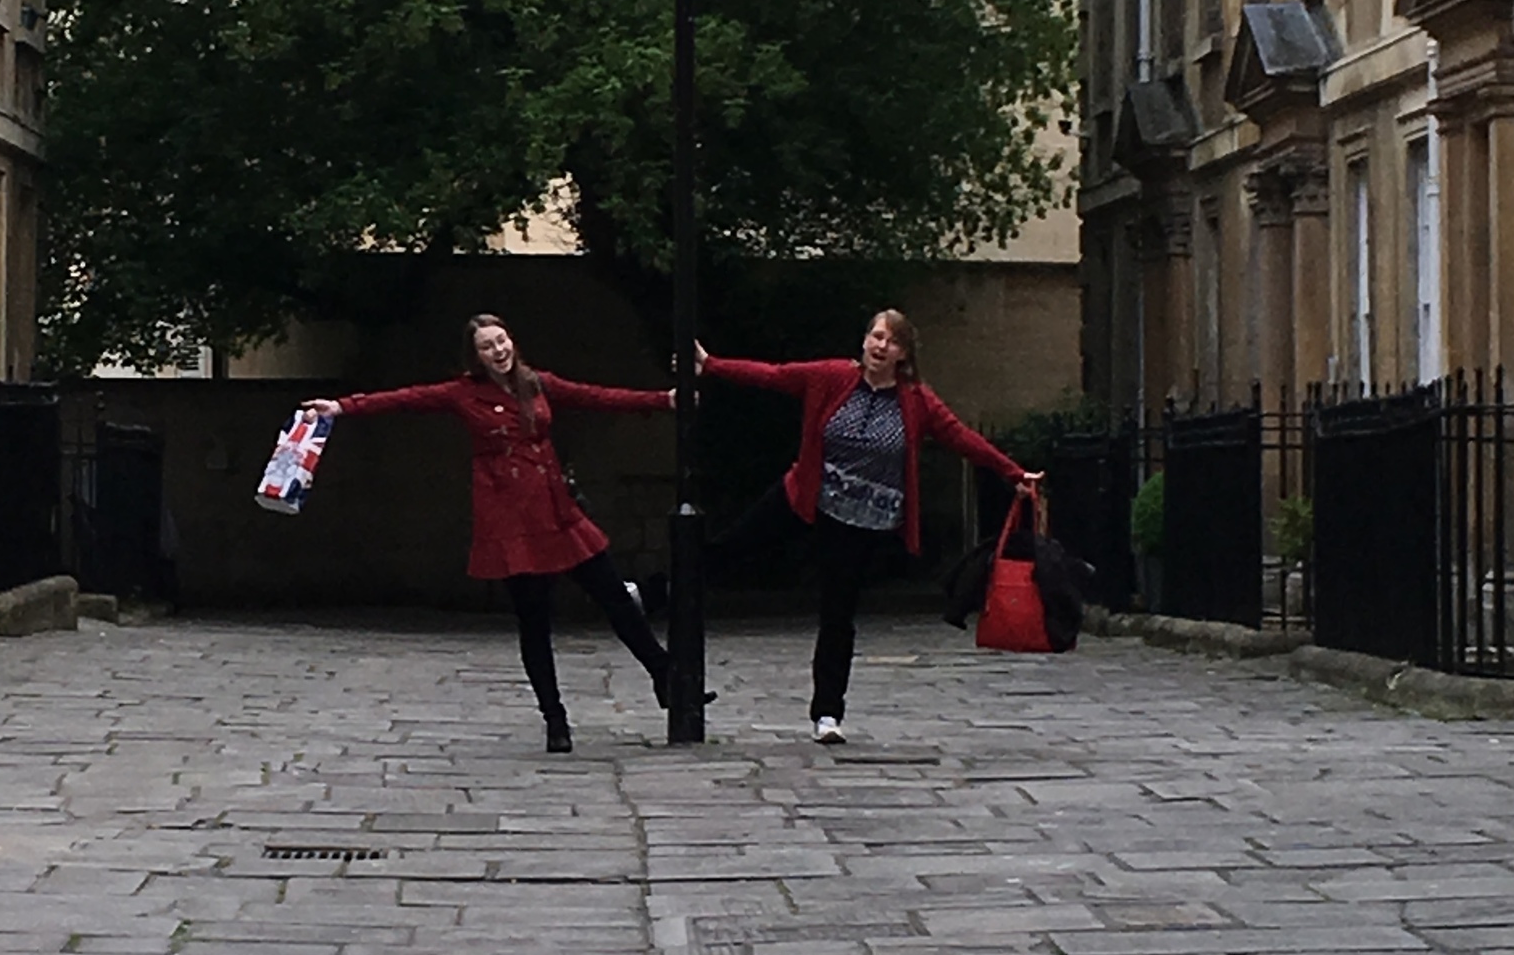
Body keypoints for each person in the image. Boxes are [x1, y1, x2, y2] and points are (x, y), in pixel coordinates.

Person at [302, 315, 685, 753]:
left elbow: (597, 396)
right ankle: (555, 719)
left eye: (502, 341)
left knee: (616, 598)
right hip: (511, 519)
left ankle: (664, 675)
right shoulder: (463, 393)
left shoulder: (535, 383)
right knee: (535, 621)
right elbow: (406, 399)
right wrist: (344, 406)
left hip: (559, 511)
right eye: (487, 346)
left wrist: (664, 400)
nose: (498, 351)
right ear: (475, 356)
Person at [700, 309, 1041, 744]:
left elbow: (961, 438)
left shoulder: (917, 401)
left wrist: (1013, 473)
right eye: (876, 337)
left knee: (837, 613)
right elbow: (774, 375)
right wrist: (711, 365)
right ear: (864, 341)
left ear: (903, 354)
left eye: (892, 342)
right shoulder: (831, 376)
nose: (881, 346)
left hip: (860, 519)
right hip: (807, 493)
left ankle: (827, 714)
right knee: (730, 548)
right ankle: (652, 593)